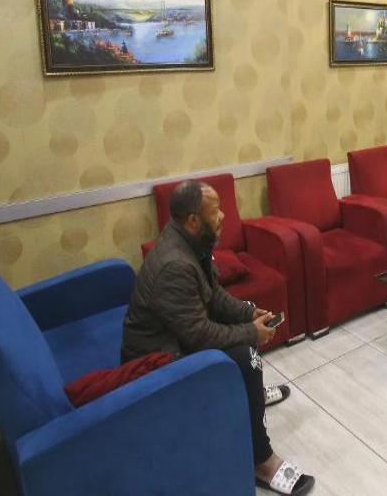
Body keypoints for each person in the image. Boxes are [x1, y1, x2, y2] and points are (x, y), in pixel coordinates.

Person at [121, 180, 314, 496]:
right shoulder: (174, 265)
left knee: (241, 333)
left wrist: (247, 313)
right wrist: (251, 332)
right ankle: (261, 461)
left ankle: (250, 395)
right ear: (193, 220)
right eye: (215, 211)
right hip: (157, 364)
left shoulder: (191, 242)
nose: (223, 216)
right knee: (244, 354)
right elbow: (199, 335)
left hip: (177, 339)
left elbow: (213, 295)